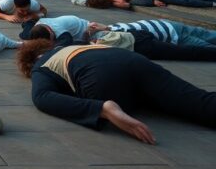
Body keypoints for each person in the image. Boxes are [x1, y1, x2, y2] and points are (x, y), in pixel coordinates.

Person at [17, 36, 216, 144]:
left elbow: (42, 97)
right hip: (134, 61)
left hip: (101, 80)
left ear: (33, 59)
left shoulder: (41, 66)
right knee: (196, 101)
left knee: (138, 98)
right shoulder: (79, 44)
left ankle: (108, 108)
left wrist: (99, 109)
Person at [90, 29, 216, 61]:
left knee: (185, 52)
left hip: (139, 45)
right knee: (182, 51)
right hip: (137, 37)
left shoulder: (93, 46)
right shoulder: (94, 36)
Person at [90, 19, 216, 48]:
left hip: (170, 26)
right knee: (206, 45)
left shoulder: (112, 27)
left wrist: (105, 27)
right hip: (175, 37)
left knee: (208, 35)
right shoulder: (111, 36)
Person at [20, 15, 90, 42]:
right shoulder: (38, 24)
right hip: (69, 25)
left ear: (50, 31)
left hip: (86, 27)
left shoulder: (58, 30)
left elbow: (67, 41)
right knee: (25, 35)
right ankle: (28, 23)